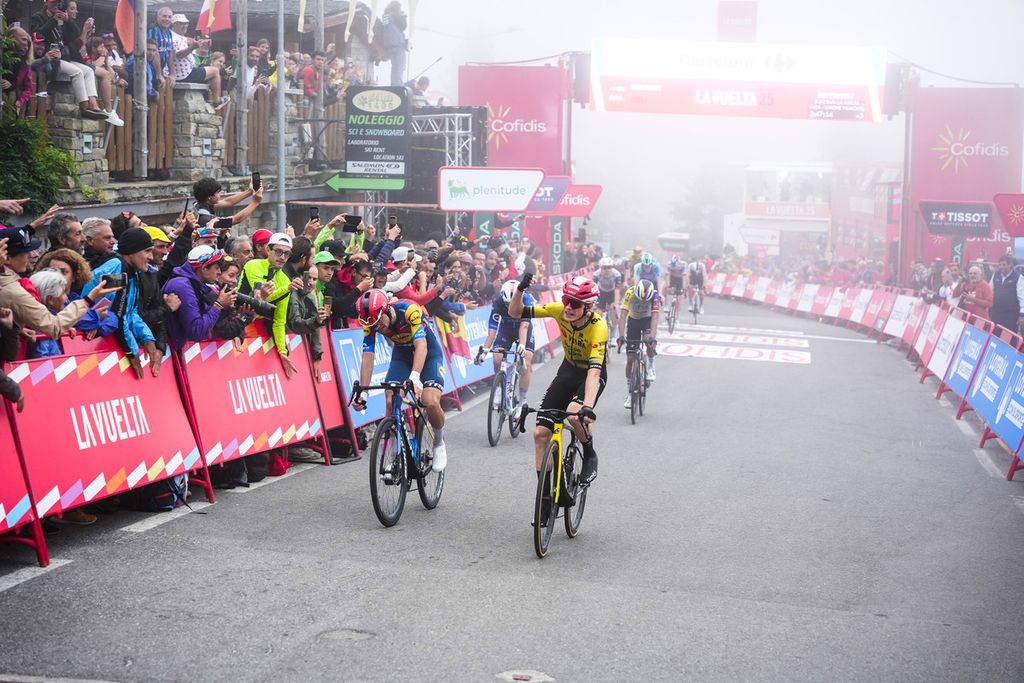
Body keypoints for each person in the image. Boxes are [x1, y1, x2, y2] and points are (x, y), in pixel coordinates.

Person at [509, 274, 606, 486]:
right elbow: (515, 312)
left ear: (589, 306)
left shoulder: (599, 327)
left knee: (574, 414)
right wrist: (520, 289)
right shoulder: (558, 310)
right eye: (566, 300)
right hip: (568, 370)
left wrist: (587, 407)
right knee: (540, 434)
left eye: (575, 304)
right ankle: (547, 494)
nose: (568, 307)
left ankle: (590, 454)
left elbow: (594, 372)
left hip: (590, 374)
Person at [351, 290, 448, 471]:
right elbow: (368, 356)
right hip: (402, 356)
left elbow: (421, 345)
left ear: (386, 310)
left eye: (379, 322)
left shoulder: (410, 310)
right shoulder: (371, 323)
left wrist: (415, 376)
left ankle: (439, 442)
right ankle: (395, 454)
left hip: (429, 354)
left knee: (430, 401)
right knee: (390, 400)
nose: (378, 328)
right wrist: (363, 391)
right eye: (373, 325)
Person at [0, 227, 120, 339]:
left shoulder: (72, 298)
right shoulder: (12, 290)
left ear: (75, 276)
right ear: (7, 258)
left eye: (63, 271)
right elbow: (54, 327)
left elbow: (113, 318)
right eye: (24, 253)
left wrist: (17, 328)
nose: (31, 255)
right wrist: (90, 302)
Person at [83, 228, 164, 378]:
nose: (151, 257)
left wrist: (148, 338)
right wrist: (132, 353)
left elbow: (131, 312)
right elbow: (118, 317)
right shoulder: (117, 268)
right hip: (87, 345)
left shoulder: (133, 271)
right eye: (147, 251)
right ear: (132, 251)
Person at [238, 232, 299, 377]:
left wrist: (283, 352)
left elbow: (279, 321)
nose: (282, 257)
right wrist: (287, 289)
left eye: (286, 253)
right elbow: (260, 298)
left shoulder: (285, 280)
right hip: (237, 321)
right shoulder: (253, 265)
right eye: (278, 251)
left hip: (257, 330)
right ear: (268, 249)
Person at [476, 280, 534, 416]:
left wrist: (522, 345)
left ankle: (522, 401)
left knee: (526, 363)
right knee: (497, 358)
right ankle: (499, 388)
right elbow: (492, 331)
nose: (510, 307)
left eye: (513, 304)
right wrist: (484, 352)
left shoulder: (527, 300)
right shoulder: (498, 302)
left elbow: (524, 326)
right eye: (507, 304)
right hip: (506, 330)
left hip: (523, 331)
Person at [161, 246, 237, 349]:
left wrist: (226, 308)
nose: (219, 272)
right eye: (217, 267)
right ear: (204, 268)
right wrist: (218, 305)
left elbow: (206, 319)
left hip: (173, 349)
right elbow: (197, 331)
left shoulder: (194, 284)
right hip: (168, 351)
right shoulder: (182, 286)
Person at [617, 279, 660, 407]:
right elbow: (623, 316)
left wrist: (652, 337)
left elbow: (655, 317)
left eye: (645, 300)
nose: (642, 302)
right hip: (633, 320)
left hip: (647, 320)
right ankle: (630, 393)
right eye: (640, 299)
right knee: (630, 358)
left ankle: (651, 366)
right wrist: (621, 336)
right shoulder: (630, 292)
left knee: (648, 340)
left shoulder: (655, 295)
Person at [169, 14, 223, 103]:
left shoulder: (177, 36)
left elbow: (189, 40)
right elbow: (179, 55)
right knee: (215, 71)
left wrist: (202, 42)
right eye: (181, 23)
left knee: (208, 72)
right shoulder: (174, 38)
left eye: (186, 23)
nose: (185, 26)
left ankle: (209, 98)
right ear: (174, 24)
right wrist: (192, 47)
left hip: (185, 72)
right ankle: (216, 100)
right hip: (184, 74)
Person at [989, 254, 1024, 333]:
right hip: (996, 312)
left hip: (1011, 315)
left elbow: (1022, 298)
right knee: (995, 334)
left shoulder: (1018, 277)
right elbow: (990, 290)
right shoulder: (995, 275)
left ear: (1010, 264)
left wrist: (1022, 315)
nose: (1002, 267)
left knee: (1008, 335)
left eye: (1004, 264)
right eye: (1000, 265)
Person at [377, 1, 408, 86]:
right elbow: (403, 26)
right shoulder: (396, 15)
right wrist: (403, 16)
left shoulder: (385, 16)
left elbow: (386, 27)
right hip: (397, 45)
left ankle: (394, 85)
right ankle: (398, 86)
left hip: (389, 45)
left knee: (394, 68)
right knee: (400, 67)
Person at [595, 256, 623, 329]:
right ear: (600, 267)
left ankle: (614, 328)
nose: (606, 270)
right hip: (601, 292)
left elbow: (617, 290)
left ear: (612, 267)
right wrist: (593, 303)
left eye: (609, 267)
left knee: (614, 308)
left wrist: (616, 303)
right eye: (604, 268)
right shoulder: (596, 274)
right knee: (598, 312)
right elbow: (593, 289)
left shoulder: (617, 274)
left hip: (612, 292)